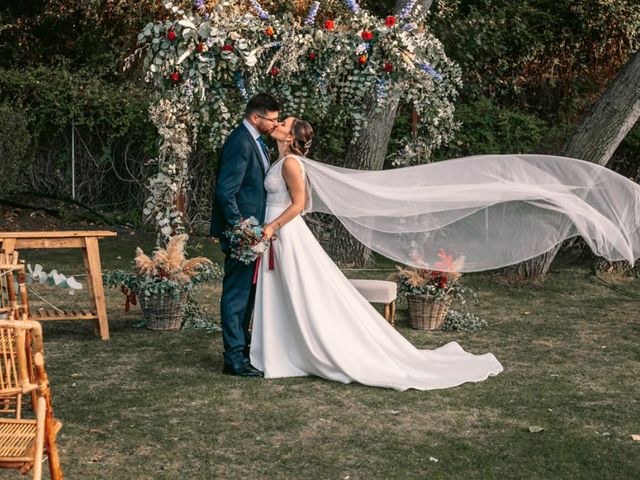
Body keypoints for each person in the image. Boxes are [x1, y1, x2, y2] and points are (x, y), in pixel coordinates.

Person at [249, 116, 640, 390]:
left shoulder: (292, 165)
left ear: (293, 136)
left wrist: (269, 228)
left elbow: (299, 204)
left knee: (303, 292)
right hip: (280, 235)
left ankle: (301, 351)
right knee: (290, 292)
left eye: (283, 123)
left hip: (285, 233)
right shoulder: (282, 159)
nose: (277, 124)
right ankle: (283, 350)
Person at [210, 93, 280, 378]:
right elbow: (225, 192)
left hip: (253, 232)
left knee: (248, 295)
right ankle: (233, 358)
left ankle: (244, 349)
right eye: (272, 119)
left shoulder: (256, 141)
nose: (275, 124)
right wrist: (241, 229)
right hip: (242, 233)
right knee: (237, 295)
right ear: (255, 117)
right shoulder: (240, 142)